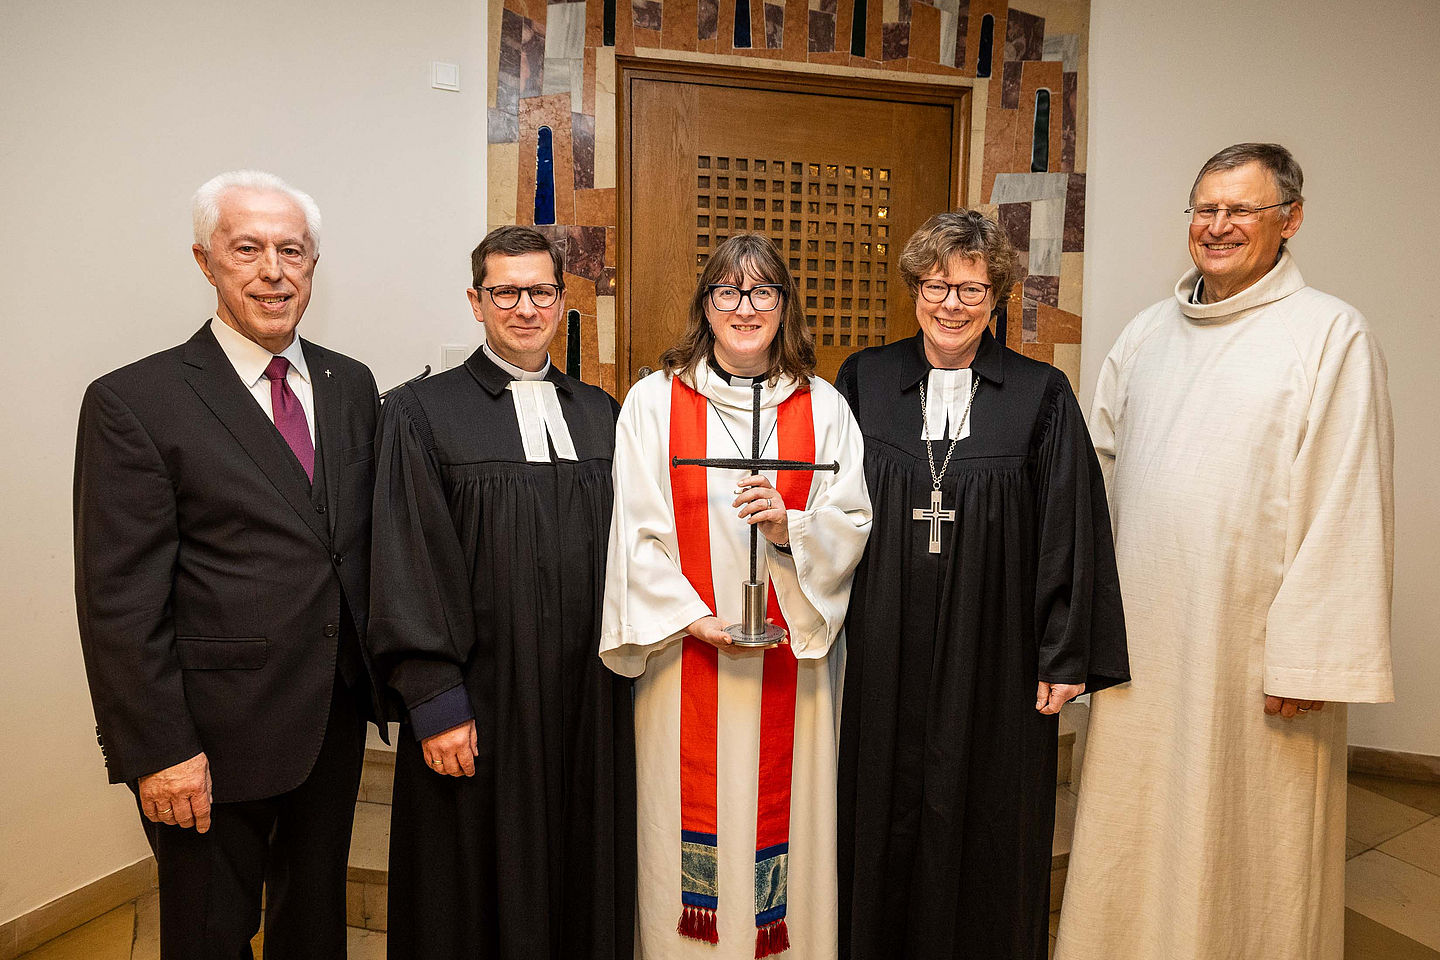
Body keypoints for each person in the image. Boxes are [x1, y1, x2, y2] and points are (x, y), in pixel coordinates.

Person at [1054, 143, 1395, 960]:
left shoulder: (1330, 334)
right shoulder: (1145, 334)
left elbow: (1350, 496)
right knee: (1136, 829)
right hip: (1144, 637)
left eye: (1242, 209)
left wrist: (1310, 662)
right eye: (1205, 209)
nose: (1218, 226)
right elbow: (1095, 478)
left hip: (1254, 657)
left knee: (1251, 843)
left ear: (1291, 220)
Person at [73, 170, 385, 958]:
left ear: (314, 263)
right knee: (211, 930)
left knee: (313, 925)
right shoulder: (135, 402)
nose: (272, 271)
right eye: (247, 249)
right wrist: (159, 752)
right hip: (209, 734)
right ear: (205, 262)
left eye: (292, 250)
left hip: (331, 712)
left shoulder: (352, 384)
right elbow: (118, 600)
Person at [833, 210, 1130, 959]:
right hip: (883, 642)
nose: (952, 304)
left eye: (972, 287)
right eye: (937, 285)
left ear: (998, 296)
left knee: (988, 815)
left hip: (994, 647)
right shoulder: (866, 380)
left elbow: (1071, 523)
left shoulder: (1040, 394)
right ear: (914, 290)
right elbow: (825, 506)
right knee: (882, 809)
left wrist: (1064, 652)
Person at [367, 225, 635, 960]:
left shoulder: (600, 412)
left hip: (589, 699)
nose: (525, 308)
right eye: (505, 292)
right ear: (476, 302)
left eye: (540, 292)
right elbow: (405, 557)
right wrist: (433, 697)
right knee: (477, 885)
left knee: (581, 868)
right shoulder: (421, 413)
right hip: (482, 702)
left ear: (561, 301)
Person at [601, 234, 871, 959]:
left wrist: (792, 528)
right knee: (680, 828)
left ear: (785, 306)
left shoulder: (825, 407)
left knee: (792, 833)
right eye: (727, 291)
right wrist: (694, 618)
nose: (744, 308)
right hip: (684, 660)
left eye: (762, 292)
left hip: (794, 666)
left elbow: (851, 524)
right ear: (705, 305)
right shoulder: (654, 403)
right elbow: (633, 532)